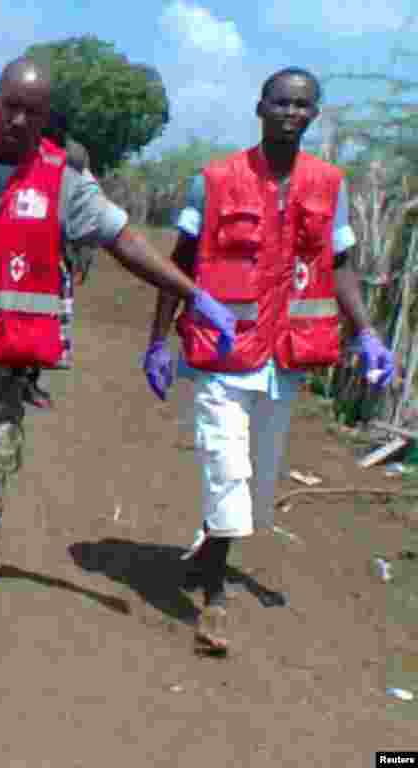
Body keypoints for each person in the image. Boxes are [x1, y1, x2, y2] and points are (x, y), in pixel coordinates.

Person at [0, 57, 239, 651]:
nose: (16, 119)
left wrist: (195, 294)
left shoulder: (64, 181)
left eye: (30, 111)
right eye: (8, 105)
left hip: (2, 359)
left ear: (45, 116)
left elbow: (125, 240)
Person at [141, 67, 395, 655]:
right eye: (280, 102)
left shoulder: (330, 185)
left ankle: (208, 549)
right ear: (260, 107)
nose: (290, 113)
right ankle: (214, 601)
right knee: (226, 465)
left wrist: (368, 333)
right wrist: (157, 341)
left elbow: (342, 268)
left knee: (256, 481)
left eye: (303, 105)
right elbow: (176, 264)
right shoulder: (215, 181)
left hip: (284, 358)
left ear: (314, 114)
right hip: (223, 358)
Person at [23, 108, 95, 408]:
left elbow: (87, 207)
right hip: (24, 247)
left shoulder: (74, 158)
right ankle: (19, 379)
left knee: (46, 320)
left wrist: (83, 253)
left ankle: (29, 381)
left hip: (55, 252)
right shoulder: (25, 150)